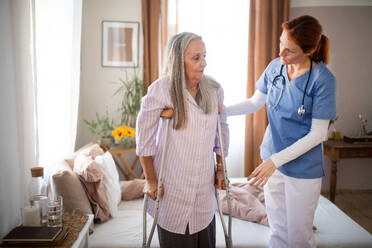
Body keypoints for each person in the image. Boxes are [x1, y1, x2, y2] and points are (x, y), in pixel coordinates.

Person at [226, 15, 336, 248]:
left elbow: (318, 134)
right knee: (276, 232)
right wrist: (220, 111)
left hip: (302, 169)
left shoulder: (323, 80)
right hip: (272, 161)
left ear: (310, 50)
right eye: (280, 44)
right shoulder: (276, 67)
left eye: (290, 51)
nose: (281, 55)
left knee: (299, 237)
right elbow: (255, 102)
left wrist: (274, 161)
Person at [136, 32, 229, 248]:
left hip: (204, 195)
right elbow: (144, 137)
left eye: (204, 56)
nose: (204, 63)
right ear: (178, 61)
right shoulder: (161, 89)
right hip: (172, 192)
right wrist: (150, 179)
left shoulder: (213, 90)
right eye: (196, 58)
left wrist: (221, 169)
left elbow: (221, 131)